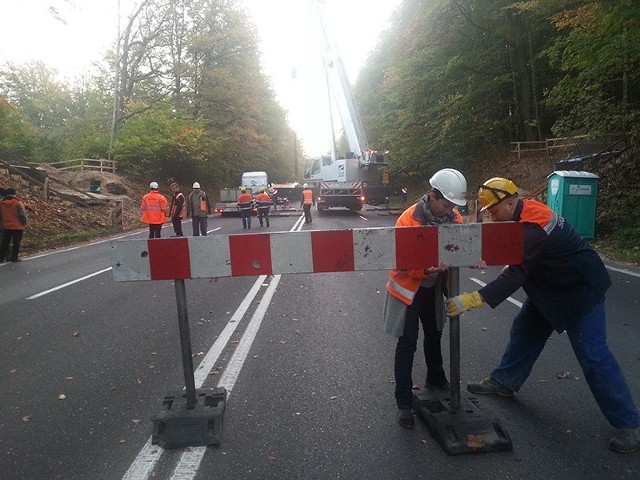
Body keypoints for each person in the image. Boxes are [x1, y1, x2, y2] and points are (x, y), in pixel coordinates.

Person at [445, 177, 640, 453]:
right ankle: (504, 381)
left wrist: (473, 298)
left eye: (493, 210)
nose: (490, 215)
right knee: (525, 330)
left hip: (579, 291)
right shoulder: (523, 212)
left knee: (594, 356)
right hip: (549, 289)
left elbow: (517, 273)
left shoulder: (534, 227)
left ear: (510, 202)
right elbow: (515, 254)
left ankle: (630, 424)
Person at [383, 168, 468, 429]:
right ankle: (404, 403)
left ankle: (436, 377)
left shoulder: (455, 218)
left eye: (454, 205)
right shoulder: (408, 220)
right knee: (407, 344)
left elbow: (462, 248)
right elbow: (404, 260)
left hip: (432, 287)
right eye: (446, 204)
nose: (450, 210)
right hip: (408, 288)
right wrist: (425, 270)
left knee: (434, 333)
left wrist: (473, 258)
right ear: (432, 196)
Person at [0, 187, 28, 262]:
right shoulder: (18, 203)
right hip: (17, 226)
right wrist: (24, 223)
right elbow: (22, 215)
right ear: (15, 194)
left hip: (6, 226)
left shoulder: (1, 203)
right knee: (16, 243)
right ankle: (14, 258)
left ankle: (1, 258)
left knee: (5, 243)